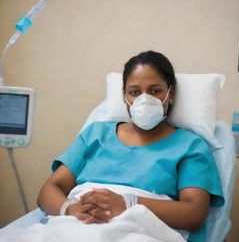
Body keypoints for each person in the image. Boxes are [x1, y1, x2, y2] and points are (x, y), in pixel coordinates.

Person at [37, 50, 224, 242]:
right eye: (135, 92)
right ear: (124, 95)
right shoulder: (95, 134)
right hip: (77, 224)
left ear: (171, 93)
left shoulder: (189, 146)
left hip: (139, 231)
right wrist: (71, 209)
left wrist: (129, 204)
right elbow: (49, 189)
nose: (145, 99)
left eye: (155, 91)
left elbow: (194, 214)